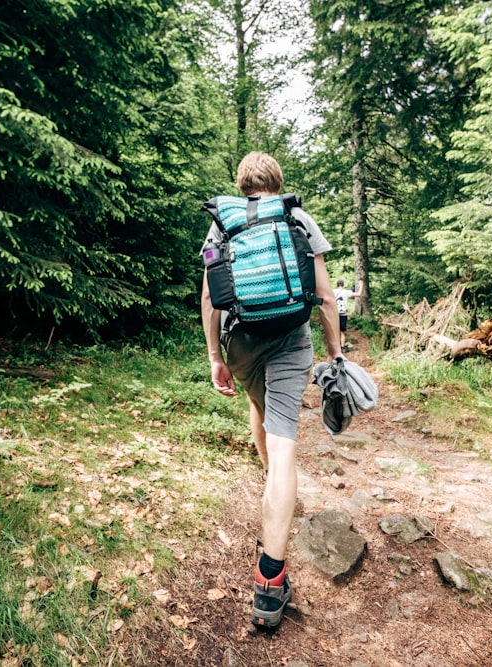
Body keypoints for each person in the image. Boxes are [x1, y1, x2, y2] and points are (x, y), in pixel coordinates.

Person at [200, 151, 343, 629]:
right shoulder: (296, 217)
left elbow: (208, 295)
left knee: (257, 404)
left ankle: (270, 483)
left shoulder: (223, 223)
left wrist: (216, 358)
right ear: (278, 182)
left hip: (241, 341)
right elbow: (324, 295)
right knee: (285, 447)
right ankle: (269, 582)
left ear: (241, 185)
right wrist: (335, 352)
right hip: (288, 340)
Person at [333, 279, 362, 349]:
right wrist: (361, 285)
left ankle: (336, 348)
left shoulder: (332, 291)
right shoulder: (346, 292)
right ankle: (342, 347)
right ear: (343, 285)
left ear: (337, 285)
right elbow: (358, 294)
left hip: (335, 314)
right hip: (343, 314)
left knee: (335, 332)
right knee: (342, 332)